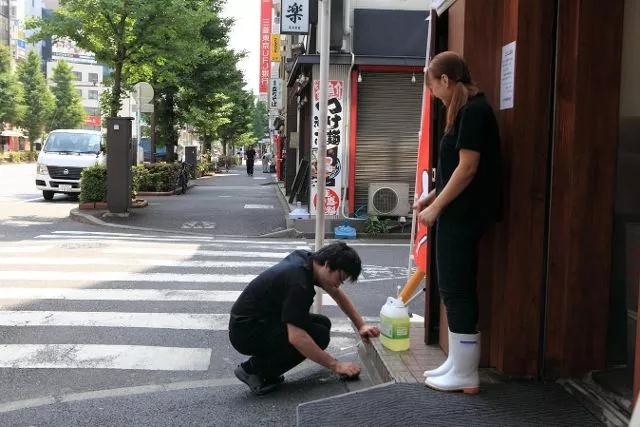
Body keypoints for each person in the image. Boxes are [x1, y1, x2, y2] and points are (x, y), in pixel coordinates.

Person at [413, 51, 501, 394]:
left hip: (464, 214)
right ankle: (458, 364)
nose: (434, 94)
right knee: (453, 287)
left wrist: (436, 208)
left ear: (446, 80)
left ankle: (466, 373)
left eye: (433, 86)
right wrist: (432, 196)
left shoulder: (474, 111)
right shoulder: (466, 110)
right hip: (459, 211)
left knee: (456, 287)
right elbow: (455, 171)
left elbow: (468, 168)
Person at [229, 242, 380, 395]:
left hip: (258, 320)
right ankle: (253, 370)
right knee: (318, 336)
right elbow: (297, 338)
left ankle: (264, 367)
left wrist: (361, 325)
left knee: (322, 323)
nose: (338, 284)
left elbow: (337, 294)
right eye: (340, 278)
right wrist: (336, 365)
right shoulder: (299, 283)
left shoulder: (308, 261)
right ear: (327, 265)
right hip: (246, 331)